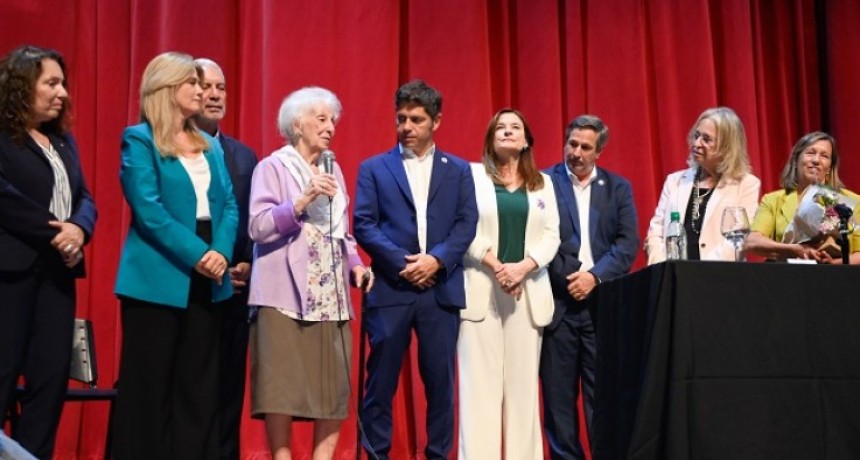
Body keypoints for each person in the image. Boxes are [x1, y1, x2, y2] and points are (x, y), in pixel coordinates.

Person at [113, 52, 238, 460]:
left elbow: (230, 205)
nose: (202, 91)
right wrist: (200, 253)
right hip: (158, 275)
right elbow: (149, 211)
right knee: (149, 385)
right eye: (194, 84)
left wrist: (219, 250)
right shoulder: (140, 138)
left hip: (207, 271)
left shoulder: (208, 145)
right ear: (167, 88)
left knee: (197, 385)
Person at [353, 80, 478, 459]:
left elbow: (466, 223)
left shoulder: (457, 170)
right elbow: (364, 223)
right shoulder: (374, 167)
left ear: (436, 122)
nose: (406, 126)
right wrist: (402, 263)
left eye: (417, 119)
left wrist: (436, 260)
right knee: (381, 382)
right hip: (392, 288)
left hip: (440, 290)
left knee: (441, 384)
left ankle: (439, 455)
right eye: (402, 118)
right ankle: (377, 454)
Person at [247, 86, 371, 460]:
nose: (330, 126)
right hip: (282, 295)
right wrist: (301, 201)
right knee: (281, 388)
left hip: (330, 294)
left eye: (333, 119)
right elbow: (258, 227)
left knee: (332, 391)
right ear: (297, 124)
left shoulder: (334, 172)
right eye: (321, 119)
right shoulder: (272, 166)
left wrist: (357, 265)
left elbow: (342, 233)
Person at [0, 45, 97, 460]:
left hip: (57, 274)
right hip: (11, 272)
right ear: (23, 87)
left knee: (50, 377)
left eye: (63, 84)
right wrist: (55, 232)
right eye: (51, 83)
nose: (62, 93)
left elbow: (85, 198)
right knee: (3, 371)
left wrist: (79, 229)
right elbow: (5, 197)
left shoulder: (63, 141)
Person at [458, 109, 560, 459]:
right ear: (490, 138)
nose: (507, 132)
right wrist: (500, 268)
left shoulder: (543, 183)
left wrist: (524, 268)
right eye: (500, 127)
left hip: (527, 293)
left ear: (527, 139)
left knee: (522, 390)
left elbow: (552, 235)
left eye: (515, 127)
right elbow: (463, 229)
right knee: (479, 389)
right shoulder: (471, 176)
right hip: (481, 288)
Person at [540, 115, 639, 460]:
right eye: (572, 144)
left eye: (585, 147)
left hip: (602, 306)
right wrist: (570, 278)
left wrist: (594, 277)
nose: (576, 152)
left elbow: (627, 244)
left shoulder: (618, 188)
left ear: (599, 152)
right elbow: (539, 240)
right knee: (558, 401)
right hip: (558, 305)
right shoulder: (543, 182)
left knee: (604, 398)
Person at [193, 57, 258, 460]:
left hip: (233, 290)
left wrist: (247, 262)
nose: (215, 95)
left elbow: (252, 217)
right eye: (206, 87)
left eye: (222, 87)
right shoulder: (167, 149)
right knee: (193, 386)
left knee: (229, 385)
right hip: (190, 285)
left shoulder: (243, 155)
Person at [644, 107, 760, 263]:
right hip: (674, 277)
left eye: (707, 139)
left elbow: (737, 238)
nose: (697, 143)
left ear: (727, 147)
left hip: (720, 278)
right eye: (696, 135)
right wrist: (662, 268)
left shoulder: (746, 184)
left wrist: (702, 273)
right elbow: (655, 232)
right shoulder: (674, 181)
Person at [745, 131, 860, 263]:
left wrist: (833, 264)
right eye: (810, 153)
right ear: (796, 160)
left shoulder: (852, 202)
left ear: (830, 167)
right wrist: (791, 249)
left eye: (824, 156)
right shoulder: (772, 200)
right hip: (786, 276)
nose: (816, 160)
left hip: (836, 278)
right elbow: (751, 242)